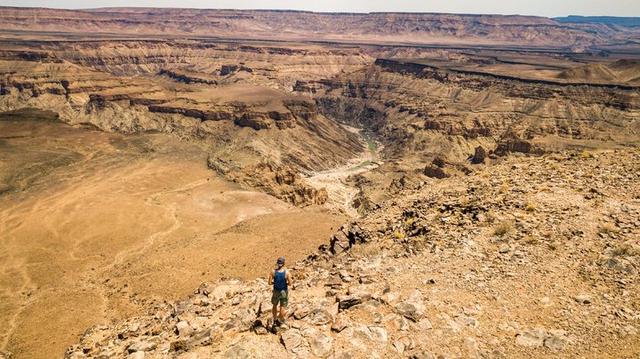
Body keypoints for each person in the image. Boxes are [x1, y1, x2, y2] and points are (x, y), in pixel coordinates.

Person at [268, 256, 292, 327]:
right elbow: (290, 283)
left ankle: (275, 320)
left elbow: (269, 283)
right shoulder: (287, 272)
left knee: (274, 305)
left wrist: (274, 283)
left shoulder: (273, 272)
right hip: (284, 291)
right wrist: (286, 284)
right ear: (284, 263)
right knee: (282, 306)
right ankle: (281, 320)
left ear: (277, 263)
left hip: (276, 291)